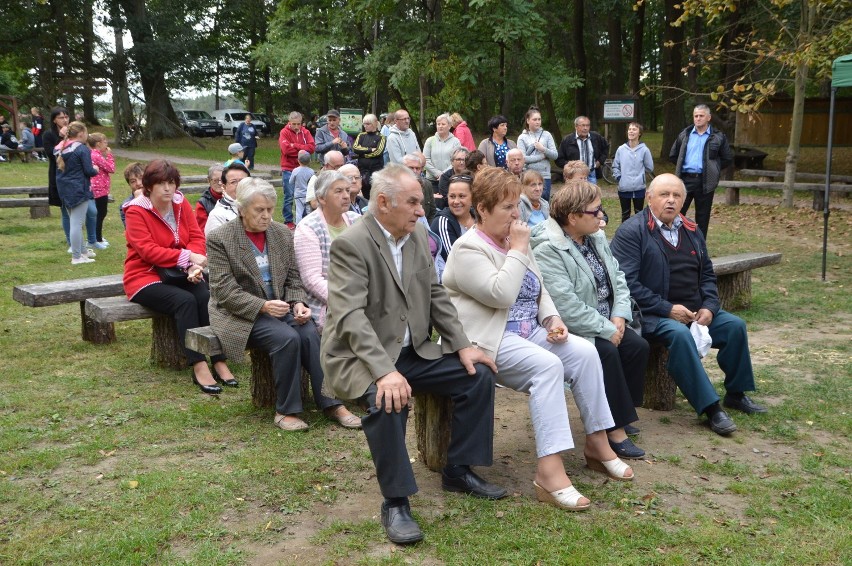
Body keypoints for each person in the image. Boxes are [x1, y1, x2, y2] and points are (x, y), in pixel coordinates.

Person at [321, 163, 507, 545]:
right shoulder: (352, 243)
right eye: (414, 202)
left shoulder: (417, 233)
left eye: (421, 202)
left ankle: (457, 469)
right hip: (363, 358)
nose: (422, 210)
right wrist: (383, 372)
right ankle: (396, 500)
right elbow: (350, 317)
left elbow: (435, 292)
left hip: (414, 352)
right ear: (384, 202)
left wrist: (462, 345)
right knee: (389, 400)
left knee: (479, 375)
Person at [443, 167, 633, 513]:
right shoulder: (467, 249)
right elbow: (500, 295)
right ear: (482, 210)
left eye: (517, 206)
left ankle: (598, 443)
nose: (516, 215)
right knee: (548, 367)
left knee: (584, 352)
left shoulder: (513, 239)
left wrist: (553, 319)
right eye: (506, 208)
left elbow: (539, 287)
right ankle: (550, 471)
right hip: (490, 341)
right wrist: (517, 249)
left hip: (528, 333)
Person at [610, 174, 767, 436]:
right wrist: (667, 309)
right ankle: (711, 408)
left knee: (734, 326)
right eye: (664, 194)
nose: (670, 200)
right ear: (649, 197)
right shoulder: (632, 231)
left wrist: (709, 306)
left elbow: (707, 274)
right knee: (679, 335)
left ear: (684, 200)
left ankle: (736, 394)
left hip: (695, 310)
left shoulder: (691, 229)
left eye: (676, 195)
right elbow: (627, 284)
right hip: (649, 314)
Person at [206, 177, 360, 430]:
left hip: (278, 308)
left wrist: (298, 303)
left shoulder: (280, 233)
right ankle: (285, 411)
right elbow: (224, 291)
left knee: (310, 333)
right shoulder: (221, 238)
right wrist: (262, 306)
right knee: (286, 338)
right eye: (259, 210)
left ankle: (332, 402)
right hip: (239, 314)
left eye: (269, 209)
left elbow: (293, 278)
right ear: (242, 209)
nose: (266, 216)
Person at [531, 181, 650, 458]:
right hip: (570, 327)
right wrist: (606, 328)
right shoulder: (548, 248)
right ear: (573, 217)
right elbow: (566, 305)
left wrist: (619, 315)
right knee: (605, 352)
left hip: (609, 319)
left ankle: (617, 409)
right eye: (595, 211)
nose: (602, 217)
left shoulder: (594, 236)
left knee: (637, 347)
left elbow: (618, 279)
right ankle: (614, 429)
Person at [122, 160, 237, 394]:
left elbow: (196, 236)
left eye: (171, 183)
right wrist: (188, 258)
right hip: (144, 276)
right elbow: (147, 250)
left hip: (180, 272)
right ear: (149, 186)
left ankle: (218, 357)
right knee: (184, 301)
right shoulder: (136, 210)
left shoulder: (180, 202)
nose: (167, 188)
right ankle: (198, 363)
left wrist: (194, 266)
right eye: (161, 183)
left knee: (204, 295)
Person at [294, 170, 361, 331]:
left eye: (347, 190)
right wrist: (349, 300)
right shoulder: (309, 227)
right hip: (329, 302)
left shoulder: (356, 220)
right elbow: (312, 279)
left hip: (363, 293)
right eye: (338, 191)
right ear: (322, 198)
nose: (346, 195)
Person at [669, 104, 733, 238]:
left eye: (701, 116)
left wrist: (713, 170)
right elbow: (673, 155)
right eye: (696, 116)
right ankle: (674, 241)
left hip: (705, 181)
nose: (698, 118)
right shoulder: (685, 134)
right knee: (677, 213)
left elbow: (726, 158)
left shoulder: (718, 137)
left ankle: (700, 247)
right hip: (684, 180)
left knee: (702, 217)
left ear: (708, 117)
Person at [55, 121, 99, 264]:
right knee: (77, 223)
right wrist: (95, 169)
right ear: (81, 134)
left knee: (75, 220)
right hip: (79, 188)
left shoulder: (60, 147)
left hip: (64, 188)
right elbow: (88, 170)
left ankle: (83, 252)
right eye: (86, 133)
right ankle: (76, 256)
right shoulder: (82, 149)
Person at [430, 172, 474, 282]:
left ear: (473, 198)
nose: (456, 201)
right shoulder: (442, 222)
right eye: (452, 196)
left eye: (462, 196)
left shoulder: (479, 217)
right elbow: (456, 261)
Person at [279, 111, 316, 226]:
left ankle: (304, 219)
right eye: (293, 124)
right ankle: (289, 221)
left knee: (306, 195)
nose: (296, 127)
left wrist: (294, 145)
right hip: (289, 168)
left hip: (303, 168)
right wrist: (302, 151)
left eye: (298, 124)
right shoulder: (284, 132)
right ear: (289, 122)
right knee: (289, 196)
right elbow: (286, 150)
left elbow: (312, 148)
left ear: (301, 123)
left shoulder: (306, 132)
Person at [612, 122, 654, 222]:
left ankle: (639, 235)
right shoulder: (621, 149)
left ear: (639, 133)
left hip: (639, 188)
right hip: (624, 187)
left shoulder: (644, 150)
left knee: (639, 214)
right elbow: (615, 166)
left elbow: (650, 167)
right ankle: (624, 235)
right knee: (625, 214)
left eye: (634, 129)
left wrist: (640, 175)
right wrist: (619, 178)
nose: (631, 131)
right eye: (629, 129)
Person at [516, 106, 558, 200]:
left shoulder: (547, 135)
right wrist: (541, 156)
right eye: (534, 119)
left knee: (544, 202)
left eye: (539, 119)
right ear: (528, 121)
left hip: (545, 175)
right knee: (529, 202)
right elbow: (523, 159)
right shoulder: (522, 137)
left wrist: (543, 149)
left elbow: (555, 155)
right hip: (528, 175)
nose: (537, 122)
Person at [556, 116, 609, 183]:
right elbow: (559, 159)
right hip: (574, 176)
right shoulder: (567, 140)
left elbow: (606, 147)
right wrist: (571, 166)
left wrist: (600, 161)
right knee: (576, 193)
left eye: (587, 125)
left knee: (591, 193)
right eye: (583, 125)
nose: (585, 128)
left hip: (591, 173)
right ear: (576, 126)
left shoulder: (596, 137)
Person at [86, 132, 115, 249]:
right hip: (99, 190)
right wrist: (109, 155)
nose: (107, 144)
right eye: (105, 142)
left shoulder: (92, 154)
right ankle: (96, 238)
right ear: (98, 144)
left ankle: (97, 236)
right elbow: (111, 168)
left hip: (98, 188)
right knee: (100, 214)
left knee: (99, 214)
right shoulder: (96, 156)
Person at [205, 162, 250, 235]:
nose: (239, 185)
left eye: (243, 181)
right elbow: (215, 244)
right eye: (233, 182)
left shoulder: (261, 207)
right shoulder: (217, 216)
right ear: (224, 187)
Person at [423, 113, 461, 196]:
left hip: (449, 179)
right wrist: (437, 173)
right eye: (438, 124)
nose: (440, 126)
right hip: (432, 180)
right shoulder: (430, 140)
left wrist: (444, 175)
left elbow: (456, 160)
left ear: (449, 126)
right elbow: (425, 160)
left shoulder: (455, 141)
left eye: (443, 124)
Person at [352, 113, 386, 199]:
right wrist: (370, 150)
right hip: (362, 170)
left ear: (374, 123)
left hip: (376, 170)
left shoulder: (381, 137)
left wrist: (362, 154)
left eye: (368, 124)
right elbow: (355, 148)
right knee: (364, 191)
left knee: (375, 193)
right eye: (364, 124)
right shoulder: (361, 135)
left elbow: (378, 152)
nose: (365, 126)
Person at [402, 153, 436, 223]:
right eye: (411, 168)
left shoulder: (427, 185)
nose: (414, 171)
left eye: (417, 168)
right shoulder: (395, 187)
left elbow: (432, 212)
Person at [195, 164, 224, 233]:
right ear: (208, 180)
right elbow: (202, 230)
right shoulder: (203, 203)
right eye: (215, 180)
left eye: (222, 180)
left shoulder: (232, 198)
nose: (220, 183)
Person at [290, 150, 315, 223]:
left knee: (299, 212)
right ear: (309, 161)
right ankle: (311, 224)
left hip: (298, 195)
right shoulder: (311, 171)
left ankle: (298, 226)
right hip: (308, 195)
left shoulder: (295, 170)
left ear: (298, 161)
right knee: (309, 212)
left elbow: (290, 181)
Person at [120, 162, 145, 227]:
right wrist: (137, 202)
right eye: (133, 181)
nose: (138, 183)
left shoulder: (157, 198)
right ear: (129, 185)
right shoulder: (126, 206)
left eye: (141, 178)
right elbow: (133, 228)